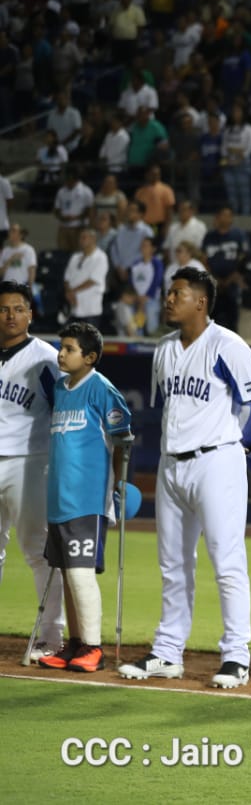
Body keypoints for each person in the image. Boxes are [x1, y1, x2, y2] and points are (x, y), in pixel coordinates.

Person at [119, 268, 251, 689]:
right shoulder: (164, 348)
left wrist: (234, 443)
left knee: (227, 561)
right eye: (169, 293)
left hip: (216, 462)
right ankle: (168, 652)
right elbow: (168, 408)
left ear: (200, 302)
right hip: (171, 465)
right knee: (173, 565)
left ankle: (236, 656)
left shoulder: (228, 345)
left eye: (177, 293)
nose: (168, 299)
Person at [35, 322, 131, 674]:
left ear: (89, 357)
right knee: (65, 574)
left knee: (80, 574)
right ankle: (74, 644)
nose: (61, 354)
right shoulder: (60, 388)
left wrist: (118, 487)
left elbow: (122, 439)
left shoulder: (101, 388)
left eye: (69, 349)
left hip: (87, 499)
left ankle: (93, 647)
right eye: (61, 347)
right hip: (58, 497)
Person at [0, 281, 64, 664]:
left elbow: (65, 410)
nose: (10, 315)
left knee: (38, 552)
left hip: (28, 462)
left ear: (30, 314)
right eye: (3, 309)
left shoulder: (46, 359)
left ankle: (51, 636)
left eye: (18, 308)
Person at [63, 229, 109, 329]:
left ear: (93, 239)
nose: (81, 240)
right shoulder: (75, 257)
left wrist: (72, 292)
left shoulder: (101, 257)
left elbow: (93, 280)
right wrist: (68, 292)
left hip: (90, 309)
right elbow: (66, 278)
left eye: (84, 237)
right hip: (74, 308)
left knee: (89, 337)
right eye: (80, 238)